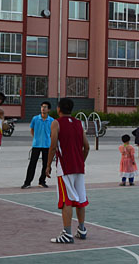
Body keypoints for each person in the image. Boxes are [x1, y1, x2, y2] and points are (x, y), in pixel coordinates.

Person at [46, 98, 90, 244]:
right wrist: (81, 161)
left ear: (58, 109)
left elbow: (53, 146)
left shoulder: (56, 123)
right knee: (81, 199)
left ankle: (67, 233)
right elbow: (87, 147)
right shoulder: (79, 123)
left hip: (65, 168)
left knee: (67, 201)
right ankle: (82, 229)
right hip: (79, 167)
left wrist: (47, 165)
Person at [22, 101, 54, 189]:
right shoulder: (35, 119)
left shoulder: (51, 120)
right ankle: (27, 182)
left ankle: (42, 181)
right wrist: (36, 138)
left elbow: (52, 133)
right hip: (36, 145)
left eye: (45, 107)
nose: (43, 109)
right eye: (42, 107)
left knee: (45, 164)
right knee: (32, 164)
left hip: (47, 145)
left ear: (49, 110)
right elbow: (32, 129)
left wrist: (49, 139)